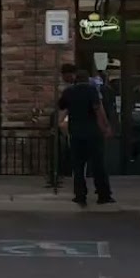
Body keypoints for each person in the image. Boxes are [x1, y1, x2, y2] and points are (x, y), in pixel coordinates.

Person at [58, 68, 113, 207]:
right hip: (93, 132)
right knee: (98, 165)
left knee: (78, 166)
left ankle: (80, 195)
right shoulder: (91, 90)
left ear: (76, 79)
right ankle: (103, 195)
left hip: (76, 133)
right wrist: (105, 127)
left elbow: (62, 107)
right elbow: (98, 110)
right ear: (87, 79)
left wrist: (61, 122)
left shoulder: (69, 92)